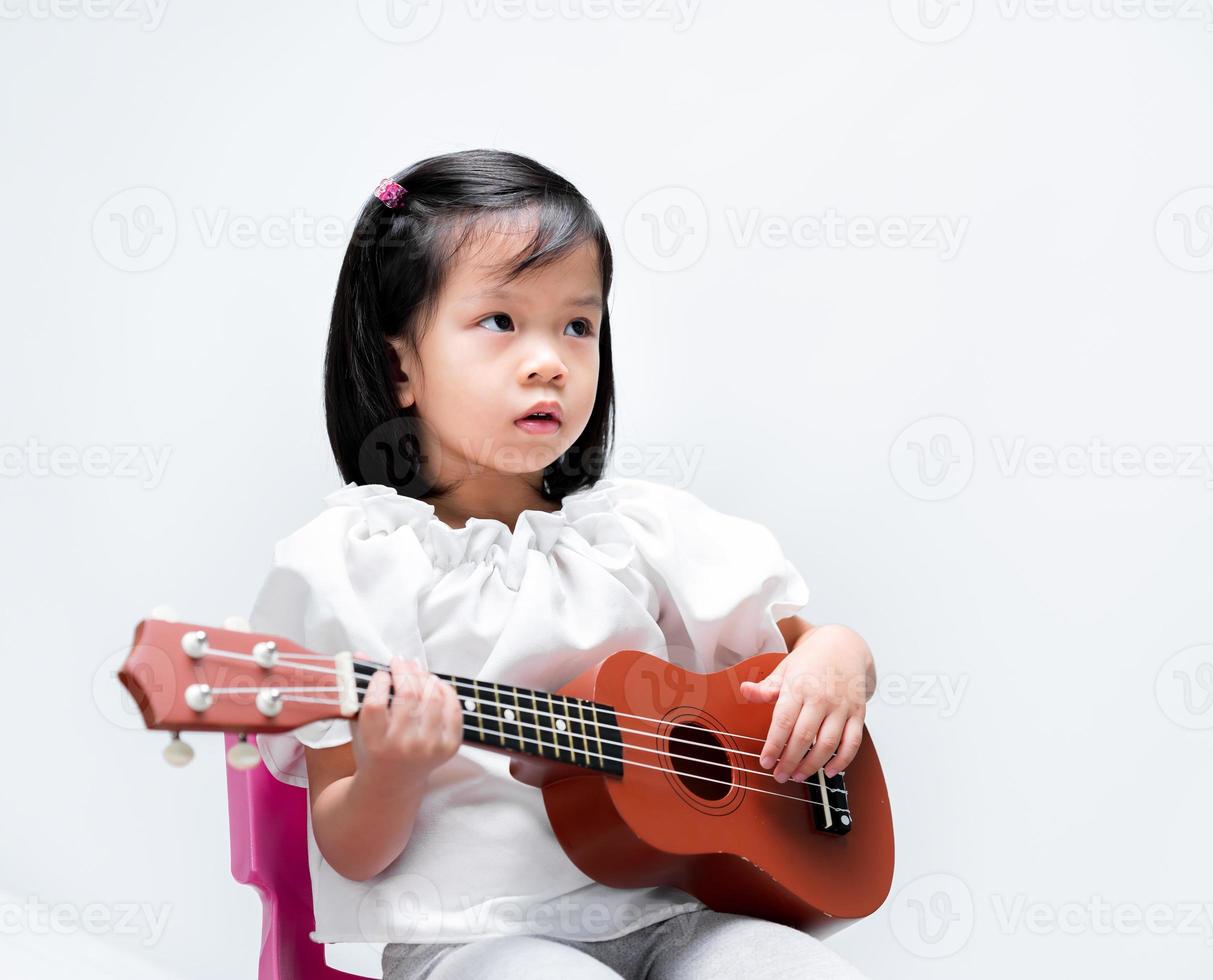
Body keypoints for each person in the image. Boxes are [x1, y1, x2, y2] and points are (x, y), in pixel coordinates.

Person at [250, 149, 877, 979]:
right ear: (401, 364)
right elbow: (351, 849)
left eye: (577, 325)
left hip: (677, 914)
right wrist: (395, 768)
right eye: (501, 322)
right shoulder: (352, 565)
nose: (550, 359)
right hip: (473, 940)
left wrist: (839, 665)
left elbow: (814, 645)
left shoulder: (635, 533)